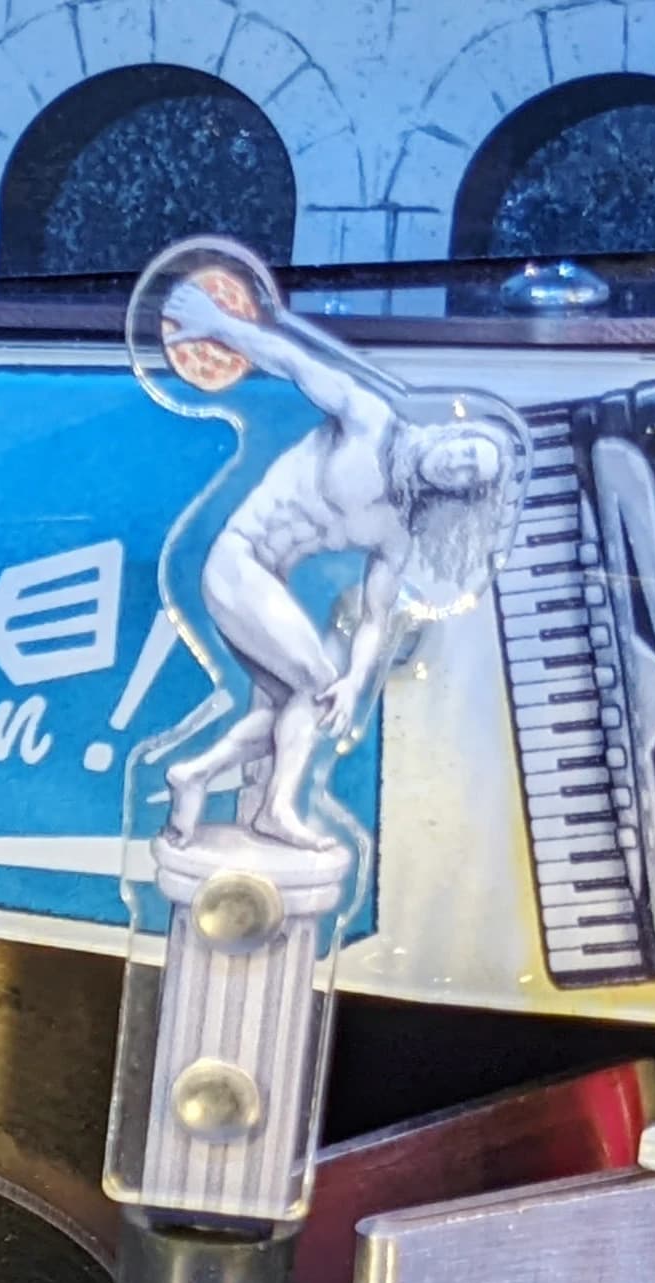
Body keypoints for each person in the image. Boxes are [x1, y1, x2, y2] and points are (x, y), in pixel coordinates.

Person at [147, 260, 518, 854]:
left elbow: (377, 616)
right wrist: (218, 321)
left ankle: (192, 777)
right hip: (237, 562)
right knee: (313, 685)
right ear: (453, 435)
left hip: (265, 582)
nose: (459, 465)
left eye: (470, 475)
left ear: (457, 493)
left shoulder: (397, 528)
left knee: (295, 705)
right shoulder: (372, 420)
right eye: (467, 451)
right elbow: (294, 361)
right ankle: (276, 811)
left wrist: (355, 681)